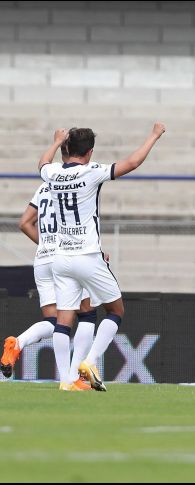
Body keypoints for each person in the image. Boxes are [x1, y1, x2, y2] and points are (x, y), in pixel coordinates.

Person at [38, 123, 165, 391]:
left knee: (64, 318)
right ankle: (90, 362)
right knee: (116, 309)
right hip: (88, 255)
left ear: (66, 149)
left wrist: (55, 141)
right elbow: (131, 163)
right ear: (90, 152)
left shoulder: (52, 174)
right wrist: (153, 135)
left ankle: (65, 381)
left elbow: (42, 162)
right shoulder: (91, 173)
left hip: (61, 258)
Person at [1, 142, 97, 388]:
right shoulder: (74, 183)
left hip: (42, 258)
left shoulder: (44, 185)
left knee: (54, 322)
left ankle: (17, 344)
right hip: (68, 255)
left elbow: (24, 223)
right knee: (87, 314)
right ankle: (73, 376)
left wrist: (46, 243)